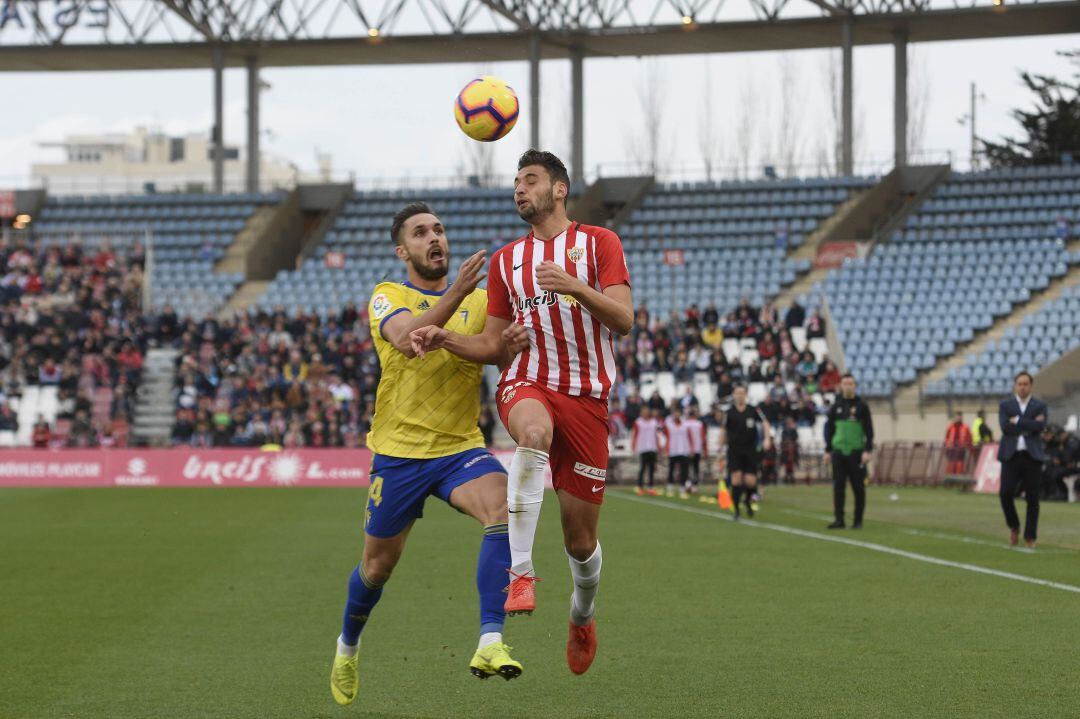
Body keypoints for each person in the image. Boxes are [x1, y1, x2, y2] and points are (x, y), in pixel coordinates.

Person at [411, 150, 633, 675]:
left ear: (559, 189)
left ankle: (582, 614)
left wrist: (577, 288)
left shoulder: (600, 243)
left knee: (580, 542)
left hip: (587, 398)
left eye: (529, 180)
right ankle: (522, 573)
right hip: (527, 382)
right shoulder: (507, 262)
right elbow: (493, 347)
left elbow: (623, 319)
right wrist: (445, 337)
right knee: (531, 432)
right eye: (515, 182)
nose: (519, 189)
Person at [330, 202, 531, 707]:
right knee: (376, 568)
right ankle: (347, 647)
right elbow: (407, 340)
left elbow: (490, 351)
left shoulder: (483, 300)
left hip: (459, 448)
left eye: (438, 229)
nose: (434, 238)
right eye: (421, 233)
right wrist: (459, 292)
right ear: (403, 250)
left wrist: (510, 345)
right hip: (398, 454)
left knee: (502, 507)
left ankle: (489, 640)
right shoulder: (387, 296)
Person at [997, 371, 1047, 548]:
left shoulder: (1039, 405)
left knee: (1032, 499)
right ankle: (1014, 525)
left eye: (1025, 384)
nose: (1022, 387)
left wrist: (1017, 421)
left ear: (1031, 385)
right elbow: (1005, 428)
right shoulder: (1006, 405)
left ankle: (1030, 536)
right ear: (1015, 385)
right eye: (1019, 383)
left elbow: (1040, 426)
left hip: (1032, 456)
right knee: (1005, 493)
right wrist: (1028, 424)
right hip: (1011, 456)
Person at [824, 374, 874, 529]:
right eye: (845, 383)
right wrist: (828, 450)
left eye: (850, 383)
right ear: (841, 385)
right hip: (838, 452)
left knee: (858, 488)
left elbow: (869, 430)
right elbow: (830, 429)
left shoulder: (862, 406)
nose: (848, 386)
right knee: (838, 487)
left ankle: (858, 520)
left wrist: (867, 450)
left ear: (855, 386)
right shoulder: (836, 406)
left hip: (856, 452)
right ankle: (839, 519)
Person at [721, 385, 772, 518]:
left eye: (742, 393)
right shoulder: (729, 413)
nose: (740, 395)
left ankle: (747, 502)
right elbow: (723, 430)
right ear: (733, 395)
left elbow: (765, 423)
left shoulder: (753, 410)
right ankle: (736, 509)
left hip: (750, 450)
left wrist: (767, 438)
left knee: (750, 481)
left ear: (746, 395)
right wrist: (720, 447)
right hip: (734, 450)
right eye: (737, 393)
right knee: (736, 480)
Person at [662, 404, 692, 498]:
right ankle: (670, 487)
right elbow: (665, 436)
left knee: (684, 471)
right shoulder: (669, 423)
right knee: (671, 470)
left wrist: (691, 448)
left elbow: (689, 437)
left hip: (684, 450)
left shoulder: (686, 423)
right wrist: (665, 449)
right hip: (673, 450)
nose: (676, 414)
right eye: (675, 412)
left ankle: (682, 489)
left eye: (678, 412)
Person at [632, 406, 660, 495]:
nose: (645, 413)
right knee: (643, 468)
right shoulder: (638, 422)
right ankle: (640, 487)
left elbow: (657, 435)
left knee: (652, 468)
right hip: (642, 447)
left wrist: (658, 446)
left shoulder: (654, 422)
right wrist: (634, 446)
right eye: (643, 411)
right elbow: (635, 434)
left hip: (652, 447)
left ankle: (651, 487)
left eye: (646, 411)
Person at [684, 406, 707, 495]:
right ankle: (694, 486)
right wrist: (704, 450)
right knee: (695, 468)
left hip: (687, 450)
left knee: (687, 468)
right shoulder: (700, 424)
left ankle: (687, 484)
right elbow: (703, 437)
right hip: (697, 449)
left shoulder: (685, 424)